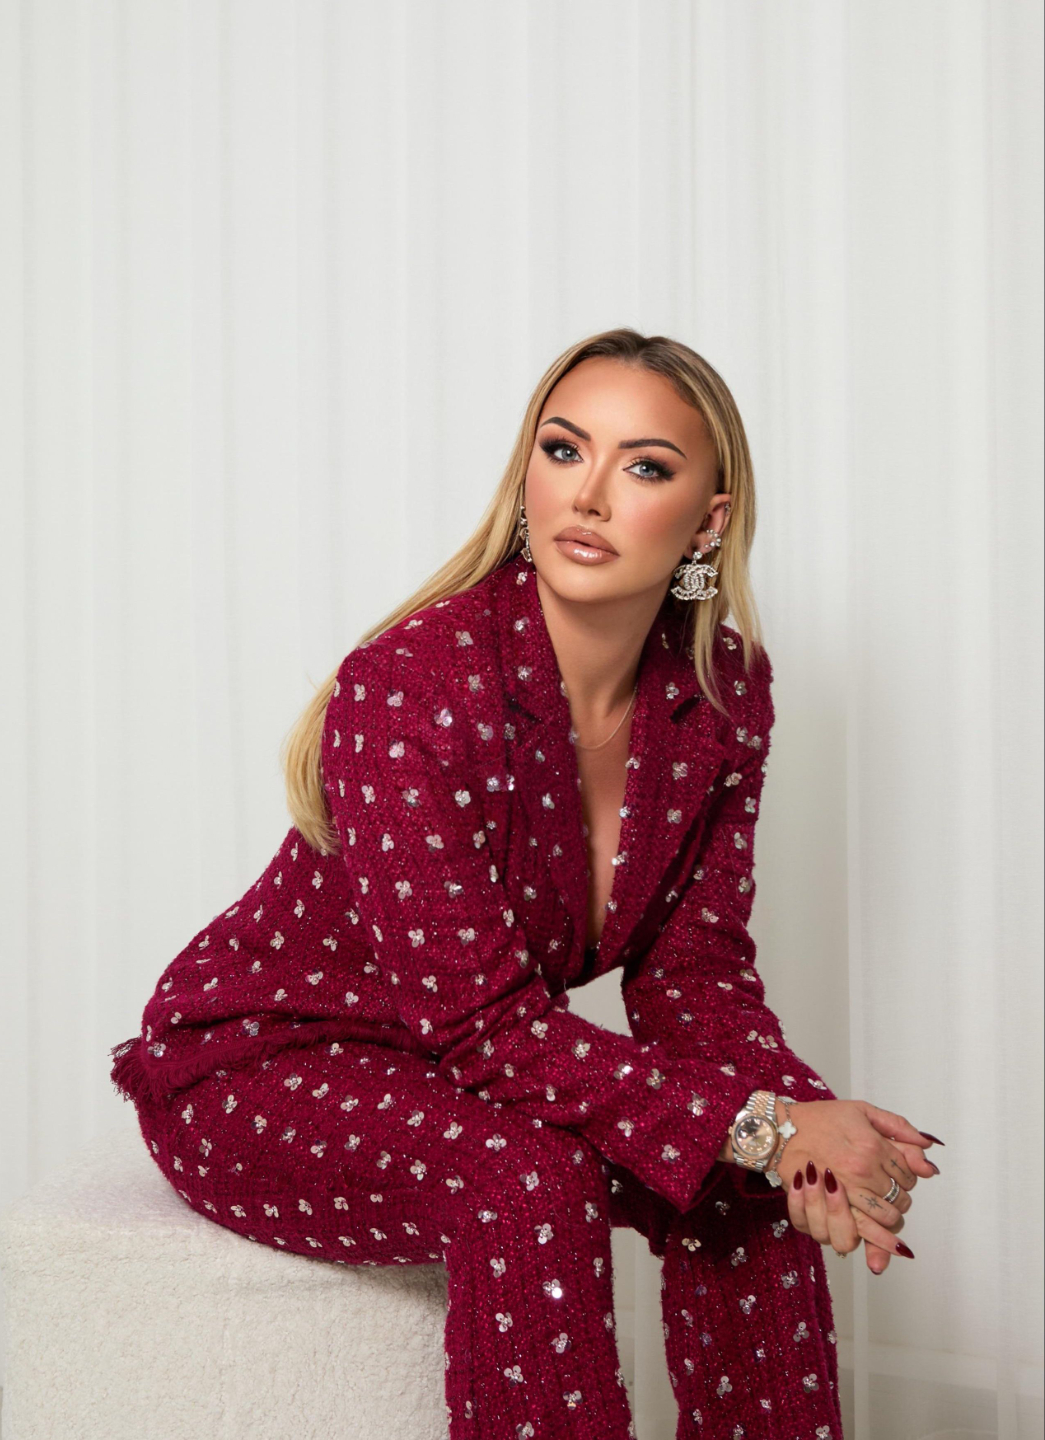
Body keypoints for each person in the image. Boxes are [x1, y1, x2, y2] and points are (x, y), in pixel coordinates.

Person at [109, 328, 941, 1439]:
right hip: (258, 1065)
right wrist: (760, 1122)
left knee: (745, 1175)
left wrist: (807, 1138)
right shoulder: (410, 685)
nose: (588, 494)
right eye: (563, 450)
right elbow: (485, 1029)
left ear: (707, 522)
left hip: (460, 1064)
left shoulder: (722, 690)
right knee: (534, 1179)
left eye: (644, 466)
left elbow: (694, 972)